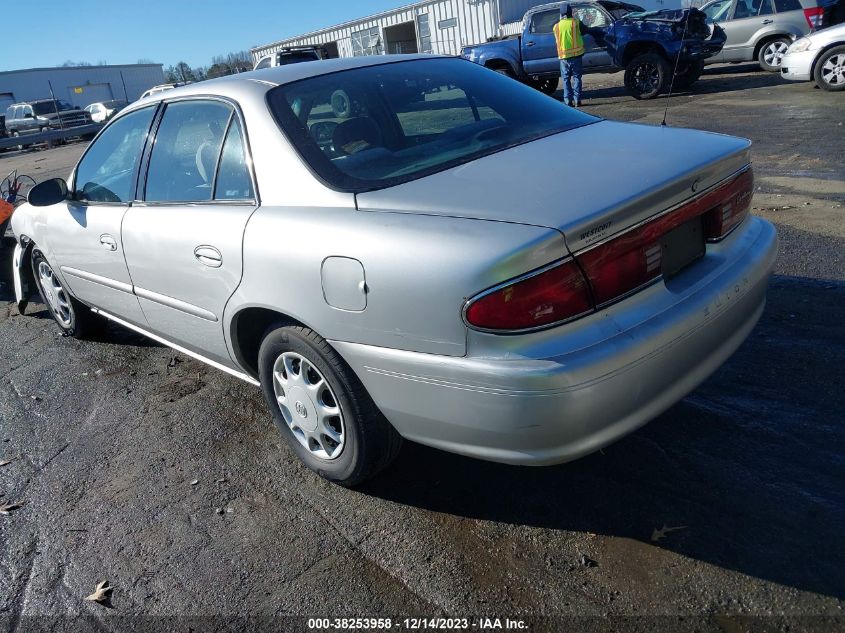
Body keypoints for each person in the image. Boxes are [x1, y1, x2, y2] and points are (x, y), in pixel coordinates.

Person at [553, 4, 586, 108]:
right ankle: (577, 100)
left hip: (563, 57)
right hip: (576, 56)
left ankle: (568, 102)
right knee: (577, 78)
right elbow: (585, 31)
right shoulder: (576, 23)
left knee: (566, 79)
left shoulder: (556, 27)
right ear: (571, 12)